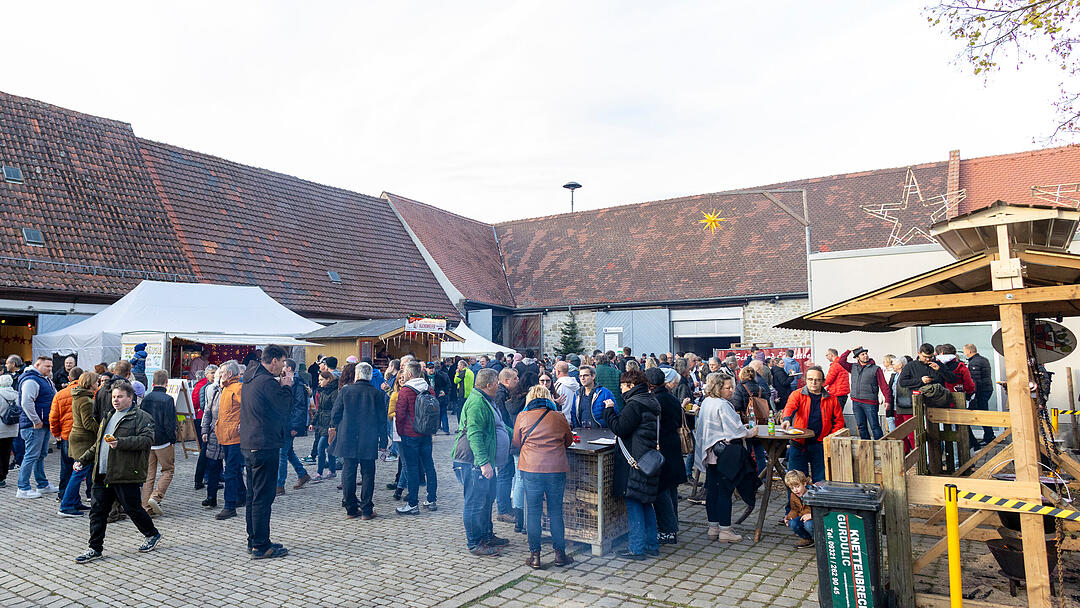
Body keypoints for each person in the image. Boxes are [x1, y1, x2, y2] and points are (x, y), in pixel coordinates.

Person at [72, 381, 162, 563]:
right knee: (97, 512)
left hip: (124, 472)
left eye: (120, 396)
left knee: (132, 508)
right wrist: (83, 459)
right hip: (102, 473)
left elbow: (146, 440)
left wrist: (120, 442)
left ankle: (152, 534)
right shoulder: (109, 415)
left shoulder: (141, 417)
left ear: (130, 397)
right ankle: (94, 548)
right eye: (114, 397)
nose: (115, 400)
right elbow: (99, 445)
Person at [513, 384, 574, 569]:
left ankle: (535, 556)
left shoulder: (522, 416)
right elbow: (568, 441)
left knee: (533, 512)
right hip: (556, 468)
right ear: (548, 398)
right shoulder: (559, 416)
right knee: (556, 511)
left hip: (531, 469)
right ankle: (560, 555)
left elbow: (516, 442)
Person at [240, 345, 292, 559]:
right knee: (262, 497)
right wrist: (286, 386)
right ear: (273, 361)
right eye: (282, 361)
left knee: (253, 495)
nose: (283, 366)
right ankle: (261, 546)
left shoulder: (250, 378)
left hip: (250, 442)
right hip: (264, 444)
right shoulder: (266, 382)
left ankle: (254, 539)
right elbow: (284, 408)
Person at [603, 370, 661, 560]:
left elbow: (620, 428)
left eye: (622, 385)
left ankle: (636, 548)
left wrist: (609, 410)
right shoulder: (651, 400)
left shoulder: (634, 404)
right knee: (646, 502)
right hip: (647, 457)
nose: (620, 389)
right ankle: (652, 544)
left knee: (634, 503)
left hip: (634, 461)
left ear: (631, 385)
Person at [695, 372, 757, 543]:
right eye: (728, 388)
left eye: (732, 387)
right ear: (718, 388)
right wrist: (750, 432)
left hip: (710, 453)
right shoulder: (723, 405)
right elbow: (734, 431)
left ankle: (713, 528)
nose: (731, 390)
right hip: (723, 454)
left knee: (712, 492)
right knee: (724, 492)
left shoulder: (707, 402)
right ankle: (725, 530)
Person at [452, 368, 506, 556]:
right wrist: (483, 463)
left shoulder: (486, 400)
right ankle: (474, 543)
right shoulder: (477, 403)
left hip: (481, 461)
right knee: (475, 502)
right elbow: (474, 434)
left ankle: (486, 535)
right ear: (489, 384)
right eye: (497, 382)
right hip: (471, 462)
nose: (499, 385)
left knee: (487, 499)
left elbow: (497, 426)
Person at [329, 362, 387, 520]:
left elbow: (335, 414)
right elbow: (382, 421)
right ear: (370, 376)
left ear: (356, 375)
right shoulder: (377, 394)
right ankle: (367, 509)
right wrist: (383, 443)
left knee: (348, 472)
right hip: (369, 437)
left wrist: (340, 426)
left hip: (348, 436)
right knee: (368, 474)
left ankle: (351, 508)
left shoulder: (345, 391)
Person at [781, 366, 847, 483]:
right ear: (805, 380)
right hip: (799, 443)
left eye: (817, 380)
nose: (814, 382)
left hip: (820, 444)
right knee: (796, 481)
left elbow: (839, 422)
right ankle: (795, 497)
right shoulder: (797, 394)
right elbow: (790, 407)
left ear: (823, 381)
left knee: (821, 481)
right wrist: (786, 419)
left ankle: (817, 496)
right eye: (810, 379)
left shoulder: (832, 399)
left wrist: (829, 437)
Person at [645, 368, 687, 545]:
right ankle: (673, 525)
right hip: (672, 446)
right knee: (671, 488)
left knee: (662, 490)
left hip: (660, 447)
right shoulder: (671, 398)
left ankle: (668, 530)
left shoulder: (654, 400)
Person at [394, 361, 438, 515]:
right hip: (426, 433)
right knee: (429, 466)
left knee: (412, 468)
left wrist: (400, 432)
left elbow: (400, 414)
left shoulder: (405, 391)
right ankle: (431, 499)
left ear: (409, 374)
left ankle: (413, 503)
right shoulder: (429, 389)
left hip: (410, 434)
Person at [16, 356, 57, 498]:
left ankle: (42, 484)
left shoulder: (43, 379)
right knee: (31, 455)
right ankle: (23, 488)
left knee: (40, 455)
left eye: (51, 366)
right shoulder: (31, 380)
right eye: (47, 366)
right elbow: (26, 402)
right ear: (37, 365)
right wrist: (36, 420)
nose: (50, 369)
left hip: (42, 423)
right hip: (34, 425)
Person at [57, 372, 97, 516]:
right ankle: (66, 506)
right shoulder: (86, 400)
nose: (98, 383)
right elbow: (87, 423)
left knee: (77, 471)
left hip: (77, 437)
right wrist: (101, 429)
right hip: (83, 440)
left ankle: (74, 501)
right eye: (96, 381)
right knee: (79, 473)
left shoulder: (79, 396)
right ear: (91, 383)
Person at [140, 370, 177, 517]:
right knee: (168, 470)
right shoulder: (168, 399)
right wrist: (172, 439)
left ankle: (145, 507)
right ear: (166, 382)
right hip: (162, 441)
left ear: (153, 382)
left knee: (149, 475)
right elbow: (169, 423)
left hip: (148, 440)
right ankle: (156, 497)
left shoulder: (146, 398)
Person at [835, 348, 891, 440]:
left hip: (870, 402)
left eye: (866, 354)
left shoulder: (876, 369)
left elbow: (884, 385)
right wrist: (849, 350)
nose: (865, 356)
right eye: (862, 354)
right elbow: (841, 361)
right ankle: (865, 446)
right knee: (861, 426)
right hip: (856, 402)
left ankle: (881, 445)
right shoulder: (853, 367)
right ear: (857, 358)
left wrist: (887, 400)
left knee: (874, 426)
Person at [215, 361, 245, 520]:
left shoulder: (237, 388)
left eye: (222, 373)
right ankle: (241, 495)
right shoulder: (227, 388)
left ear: (230, 374)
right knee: (234, 469)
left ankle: (230, 505)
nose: (220, 375)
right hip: (226, 435)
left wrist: (243, 423)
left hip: (234, 436)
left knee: (231, 471)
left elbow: (248, 407)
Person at [49, 366, 82, 502]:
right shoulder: (90, 392)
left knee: (66, 467)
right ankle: (75, 498)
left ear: (69, 378)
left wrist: (56, 433)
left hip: (66, 434)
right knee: (80, 468)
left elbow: (53, 417)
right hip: (82, 436)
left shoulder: (60, 394)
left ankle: (63, 494)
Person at [731, 367, 769, 476]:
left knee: (746, 451)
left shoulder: (739, 388)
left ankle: (748, 475)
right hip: (760, 423)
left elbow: (736, 405)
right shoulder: (761, 388)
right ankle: (762, 476)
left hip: (746, 423)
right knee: (759, 452)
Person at [493, 368, 519, 523]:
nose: (518, 380)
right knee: (504, 474)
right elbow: (502, 419)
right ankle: (503, 510)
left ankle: (505, 507)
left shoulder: (504, 393)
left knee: (506, 474)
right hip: (504, 439)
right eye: (515, 378)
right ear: (506, 380)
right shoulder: (500, 394)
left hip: (506, 437)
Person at [201, 364, 228, 509]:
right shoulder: (214, 391)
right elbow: (207, 412)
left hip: (229, 435)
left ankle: (238, 496)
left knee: (232, 468)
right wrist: (205, 431)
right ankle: (211, 497)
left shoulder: (235, 391)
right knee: (213, 466)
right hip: (214, 434)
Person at [964, 344, 996, 447]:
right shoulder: (983, 359)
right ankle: (989, 435)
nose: (964, 353)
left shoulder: (974, 362)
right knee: (983, 411)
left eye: (965, 351)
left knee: (982, 413)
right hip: (987, 389)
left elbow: (975, 380)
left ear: (969, 351)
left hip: (981, 391)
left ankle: (989, 437)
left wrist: (972, 395)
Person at [192, 364, 217, 491]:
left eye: (215, 372)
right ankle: (202, 478)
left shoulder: (216, 387)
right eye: (212, 372)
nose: (214, 375)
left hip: (210, 423)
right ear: (206, 374)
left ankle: (210, 477)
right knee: (205, 451)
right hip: (205, 422)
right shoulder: (204, 387)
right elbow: (202, 405)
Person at [310, 371, 338, 481]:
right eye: (319, 380)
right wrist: (313, 422)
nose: (319, 382)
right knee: (329, 448)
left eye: (321, 380)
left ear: (328, 380)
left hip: (329, 424)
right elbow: (319, 409)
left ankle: (319, 472)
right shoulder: (322, 391)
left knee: (321, 448)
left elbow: (335, 409)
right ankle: (332, 470)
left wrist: (332, 425)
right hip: (322, 424)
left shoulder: (334, 392)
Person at [784, 470, 814, 548]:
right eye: (792, 488)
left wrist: (812, 515)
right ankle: (807, 539)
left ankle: (820, 539)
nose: (795, 490)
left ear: (804, 483)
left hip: (815, 518)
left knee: (808, 525)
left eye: (797, 486)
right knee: (793, 523)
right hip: (804, 517)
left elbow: (821, 510)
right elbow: (794, 509)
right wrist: (789, 517)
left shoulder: (813, 494)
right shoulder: (794, 495)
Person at [0, 375, 18, 489]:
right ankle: (3, 476)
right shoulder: (16, 394)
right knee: (6, 453)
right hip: (12, 428)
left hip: (1, 428)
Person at [552, 361, 580, 426]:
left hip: (562, 421)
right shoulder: (577, 385)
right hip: (575, 420)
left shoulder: (557, 386)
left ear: (558, 372)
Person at [428, 361, 451, 435]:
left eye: (432, 368)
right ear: (426, 369)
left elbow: (447, 385)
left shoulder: (439, 376)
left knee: (443, 412)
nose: (431, 369)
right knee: (433, 414)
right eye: (430, 368)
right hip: (429, 398)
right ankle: (434, 429)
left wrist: (444, 391)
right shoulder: (424, 377)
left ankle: (445, 429)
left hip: (440, 398)